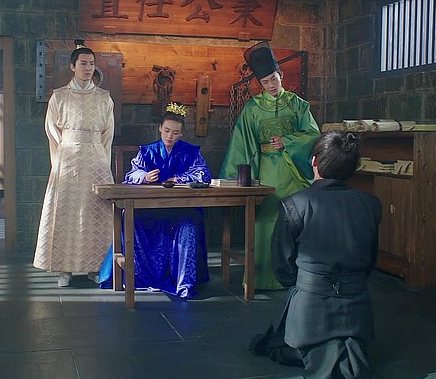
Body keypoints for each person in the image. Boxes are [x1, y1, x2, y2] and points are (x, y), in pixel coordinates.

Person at [249, 130, 383, 379]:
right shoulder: (371, 204)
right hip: (356, 303)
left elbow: (283, 267)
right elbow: (370, 258)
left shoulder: (294, 204)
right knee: (344, 340)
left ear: (314, 162)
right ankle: (345, 354)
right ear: (354, 167)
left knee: (275, 345)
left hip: (310, 304)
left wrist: (303, 285)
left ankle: (325, 362)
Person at [220, 41, 320, 290]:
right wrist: (233, 179)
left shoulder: (298, 104)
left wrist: (288, 142)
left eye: (274, 79)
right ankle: (263, 278)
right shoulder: (252, 109)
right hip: (266, 172)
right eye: (265, 82)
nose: (271, 85)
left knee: (299, 220)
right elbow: (242, 143)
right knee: (264, 222)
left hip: (293, 171)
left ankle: (299, 277)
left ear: (281, 75)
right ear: (260, 83)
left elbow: (312, 134)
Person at [99, 102, 212, 298]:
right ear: (160, 128)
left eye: (175, 133)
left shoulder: (191, 152)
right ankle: (138, 277)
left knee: (189, 225)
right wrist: (144, 176)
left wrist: (179, 179)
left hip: (181, 208)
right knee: (132, 220)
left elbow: (203, 174)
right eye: (166, 131)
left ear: (181, 134)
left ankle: (182, 282)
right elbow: (131, 174)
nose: (170, 136)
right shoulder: (147, 151)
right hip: (149, 209)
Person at [34, 46, 114, 287]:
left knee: (96, 211)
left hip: (96, 159)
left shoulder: (103, 97)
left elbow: (108, 133)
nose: (88, 68)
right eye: (83, 63)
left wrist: (102, 160)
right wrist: (61, 158)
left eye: (91, 64)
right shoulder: (59, 96)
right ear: (72, 66)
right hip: (68, 160)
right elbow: (51, 130)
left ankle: (96, 266)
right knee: (66, 213)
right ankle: (64, 268)